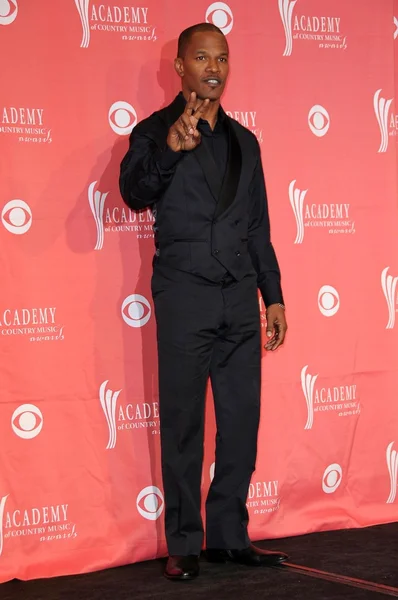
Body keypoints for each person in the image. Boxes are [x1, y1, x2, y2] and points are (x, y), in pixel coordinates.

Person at [119, 22, 288, 581]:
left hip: (239, 299)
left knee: (241, 422)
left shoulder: (246, 142)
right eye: (201, 58)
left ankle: (229, 537)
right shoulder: (152, 132)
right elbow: (133, 192)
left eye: (222, 58)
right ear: (180, 67)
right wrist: (170, 150)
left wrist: (274, 296)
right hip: (185, 295)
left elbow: (258, 227)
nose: (213, 68)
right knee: (185, 424)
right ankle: (184, 542)